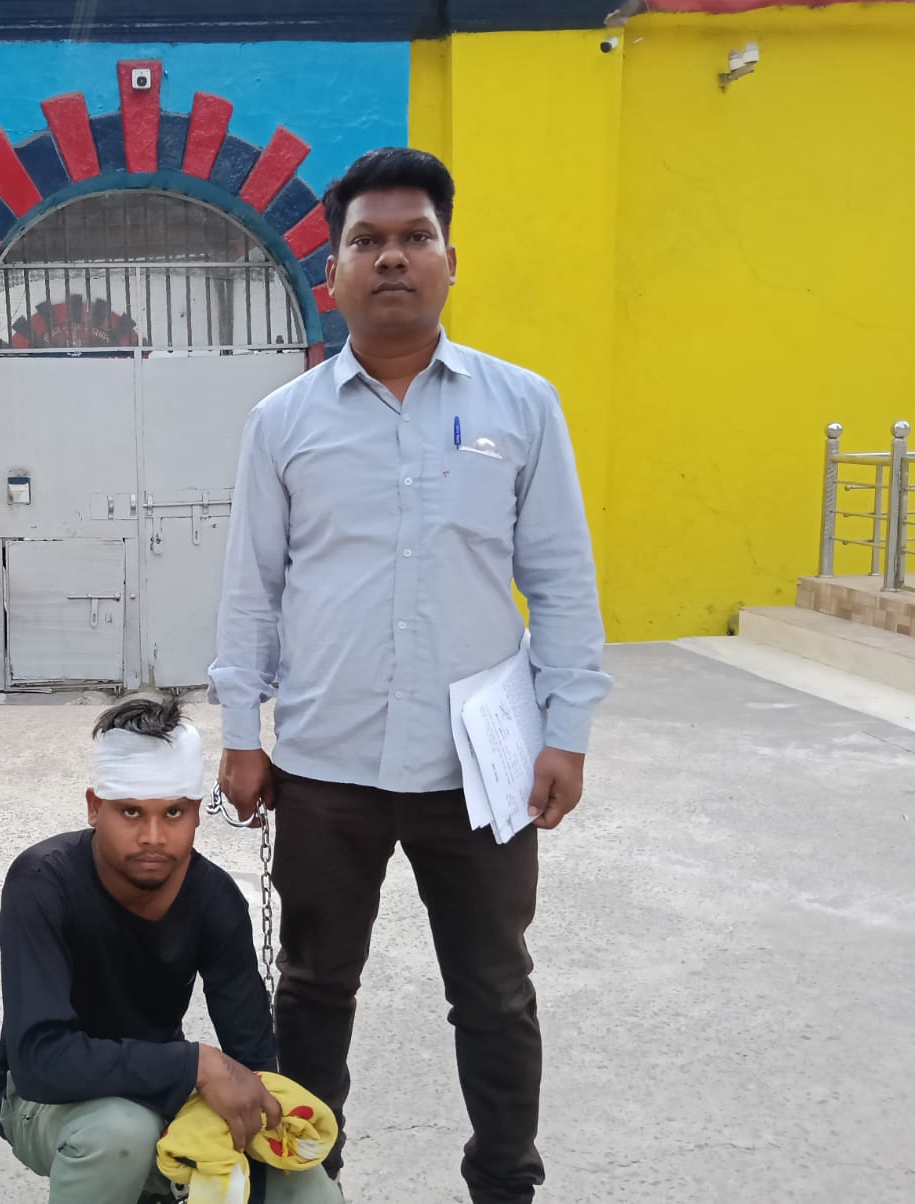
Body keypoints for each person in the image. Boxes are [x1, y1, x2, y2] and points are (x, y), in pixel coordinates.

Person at [209, 146, 612, 1203]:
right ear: (332, 272)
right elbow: (251, 590)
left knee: (494, 993)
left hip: (480, 770)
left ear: (449, 260)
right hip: (326, 766)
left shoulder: (521, 407)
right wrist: (243, 733)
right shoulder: (282, 423)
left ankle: (504, 1182)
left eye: (414, 237)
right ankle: (310, 1182)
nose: (392, 257)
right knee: (313, 990)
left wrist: (567, 730)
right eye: (368, 241)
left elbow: (562, 581)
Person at [0, 696, 343, 1204]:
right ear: (94, 807)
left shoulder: (214, 898)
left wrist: (246, 1113)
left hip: (160, 1089)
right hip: (41, 1098)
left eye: (173, 812)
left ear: (196, 814)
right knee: (120, 1134)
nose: (153, 837)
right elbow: (40, 1061)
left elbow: (252, 1059)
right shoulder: (43, 883)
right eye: (131, 812)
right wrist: (193, 1066)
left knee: (306, 1187)